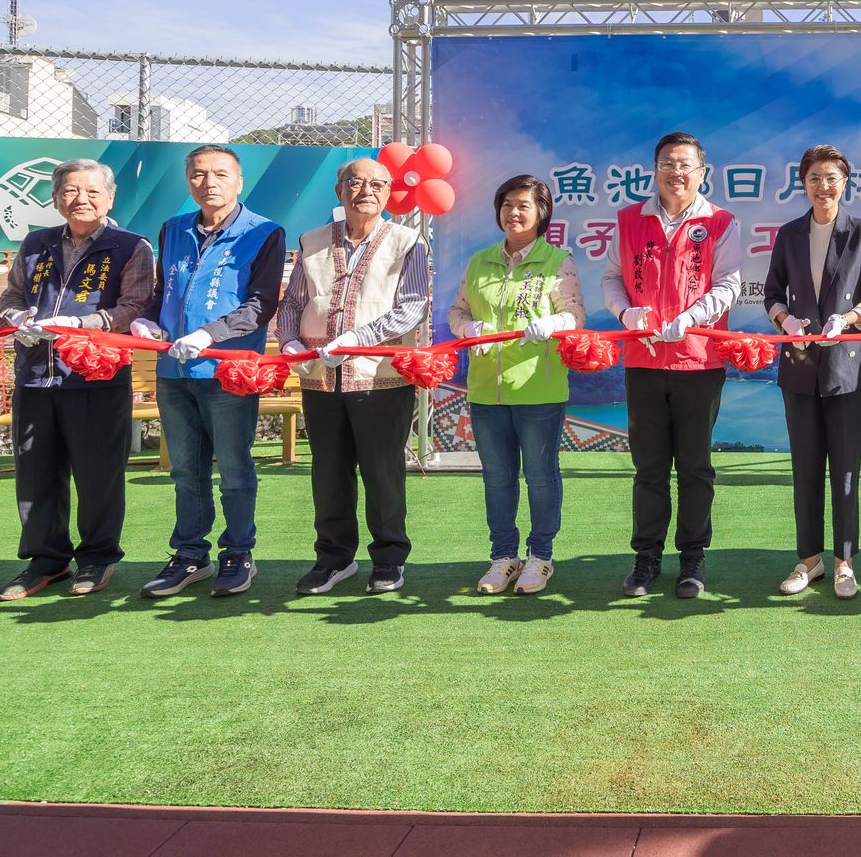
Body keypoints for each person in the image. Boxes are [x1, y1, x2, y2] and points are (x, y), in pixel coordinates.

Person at [0, 159, 155, 601]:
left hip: (95, 377)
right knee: (35, 474)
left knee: (98, 474)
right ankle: (47, 560)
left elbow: (135, 307)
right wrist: (17, 317)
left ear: (110, 198)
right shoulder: (36, 243)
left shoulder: (131, 246)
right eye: (69, 190)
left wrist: (81, 324)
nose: (80, 199)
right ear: (55, 197)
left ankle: (98, 558)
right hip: (35, 376)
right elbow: (11, 295)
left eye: (92, 191)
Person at [132, 145, 286, 598]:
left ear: (239, 181)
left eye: (220, 173)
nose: (209, 182)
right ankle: (189, 555)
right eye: (199, 174)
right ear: (189, 181)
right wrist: (147, 319)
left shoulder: (264, 232)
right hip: (173, 370)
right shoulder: (173, 228)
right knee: (185, 470)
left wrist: (208, 334)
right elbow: (162, 291)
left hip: (227, 371)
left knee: (234, 469)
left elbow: (261, 304)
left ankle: (238, 552)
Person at [273, 158, 430, 595]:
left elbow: (413, 306)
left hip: (381, 377)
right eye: (356, 182)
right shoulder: (312, 241)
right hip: (320, 377)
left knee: (383, 473)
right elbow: (292, 302)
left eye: (377, 184)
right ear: (339, 190)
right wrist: (289, 341)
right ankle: (334, 559)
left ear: (389, 192)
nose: (366, 191)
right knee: (328, 473)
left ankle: (389, 559)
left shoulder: (408, 241)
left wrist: (359, 338)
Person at [601, 132, 742, 600]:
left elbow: (729, 284)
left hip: (698, 361)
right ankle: (646, 557)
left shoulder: (720, 221)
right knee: (649, 467)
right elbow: (612, 277)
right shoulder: (629, 219)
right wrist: (625, 313)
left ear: (702, 172)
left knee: (696, 466)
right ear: (655, 169)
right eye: (667, 163)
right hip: (643, 359)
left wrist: (692, 317)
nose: (676, 172)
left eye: (685, 164)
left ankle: (693, 558)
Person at [763, 145, 861, 599]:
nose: (823, 186)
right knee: (805, 467)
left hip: (847, 367)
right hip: (799, 366)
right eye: (815, 178)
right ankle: (809, 560)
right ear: (803, 183)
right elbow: (772, 294)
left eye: (831, 177)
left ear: (845, 182)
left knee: (846, 469)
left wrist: (849, 319)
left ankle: (844, 562)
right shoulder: (789, 234)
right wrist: (786, 321)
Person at [447, 175, 584, 595]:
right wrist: (469, 327)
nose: (514, 213)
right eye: (507, 205)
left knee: (540, 477)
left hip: (538, 390)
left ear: (542, 212)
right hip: (486, 390)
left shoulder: (557, 260)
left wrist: (554, 323)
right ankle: (502, 557)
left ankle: (540, 557)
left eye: (524, 205)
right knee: (497, 477)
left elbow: (575, 315)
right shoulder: (480, 261)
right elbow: (456, 312)